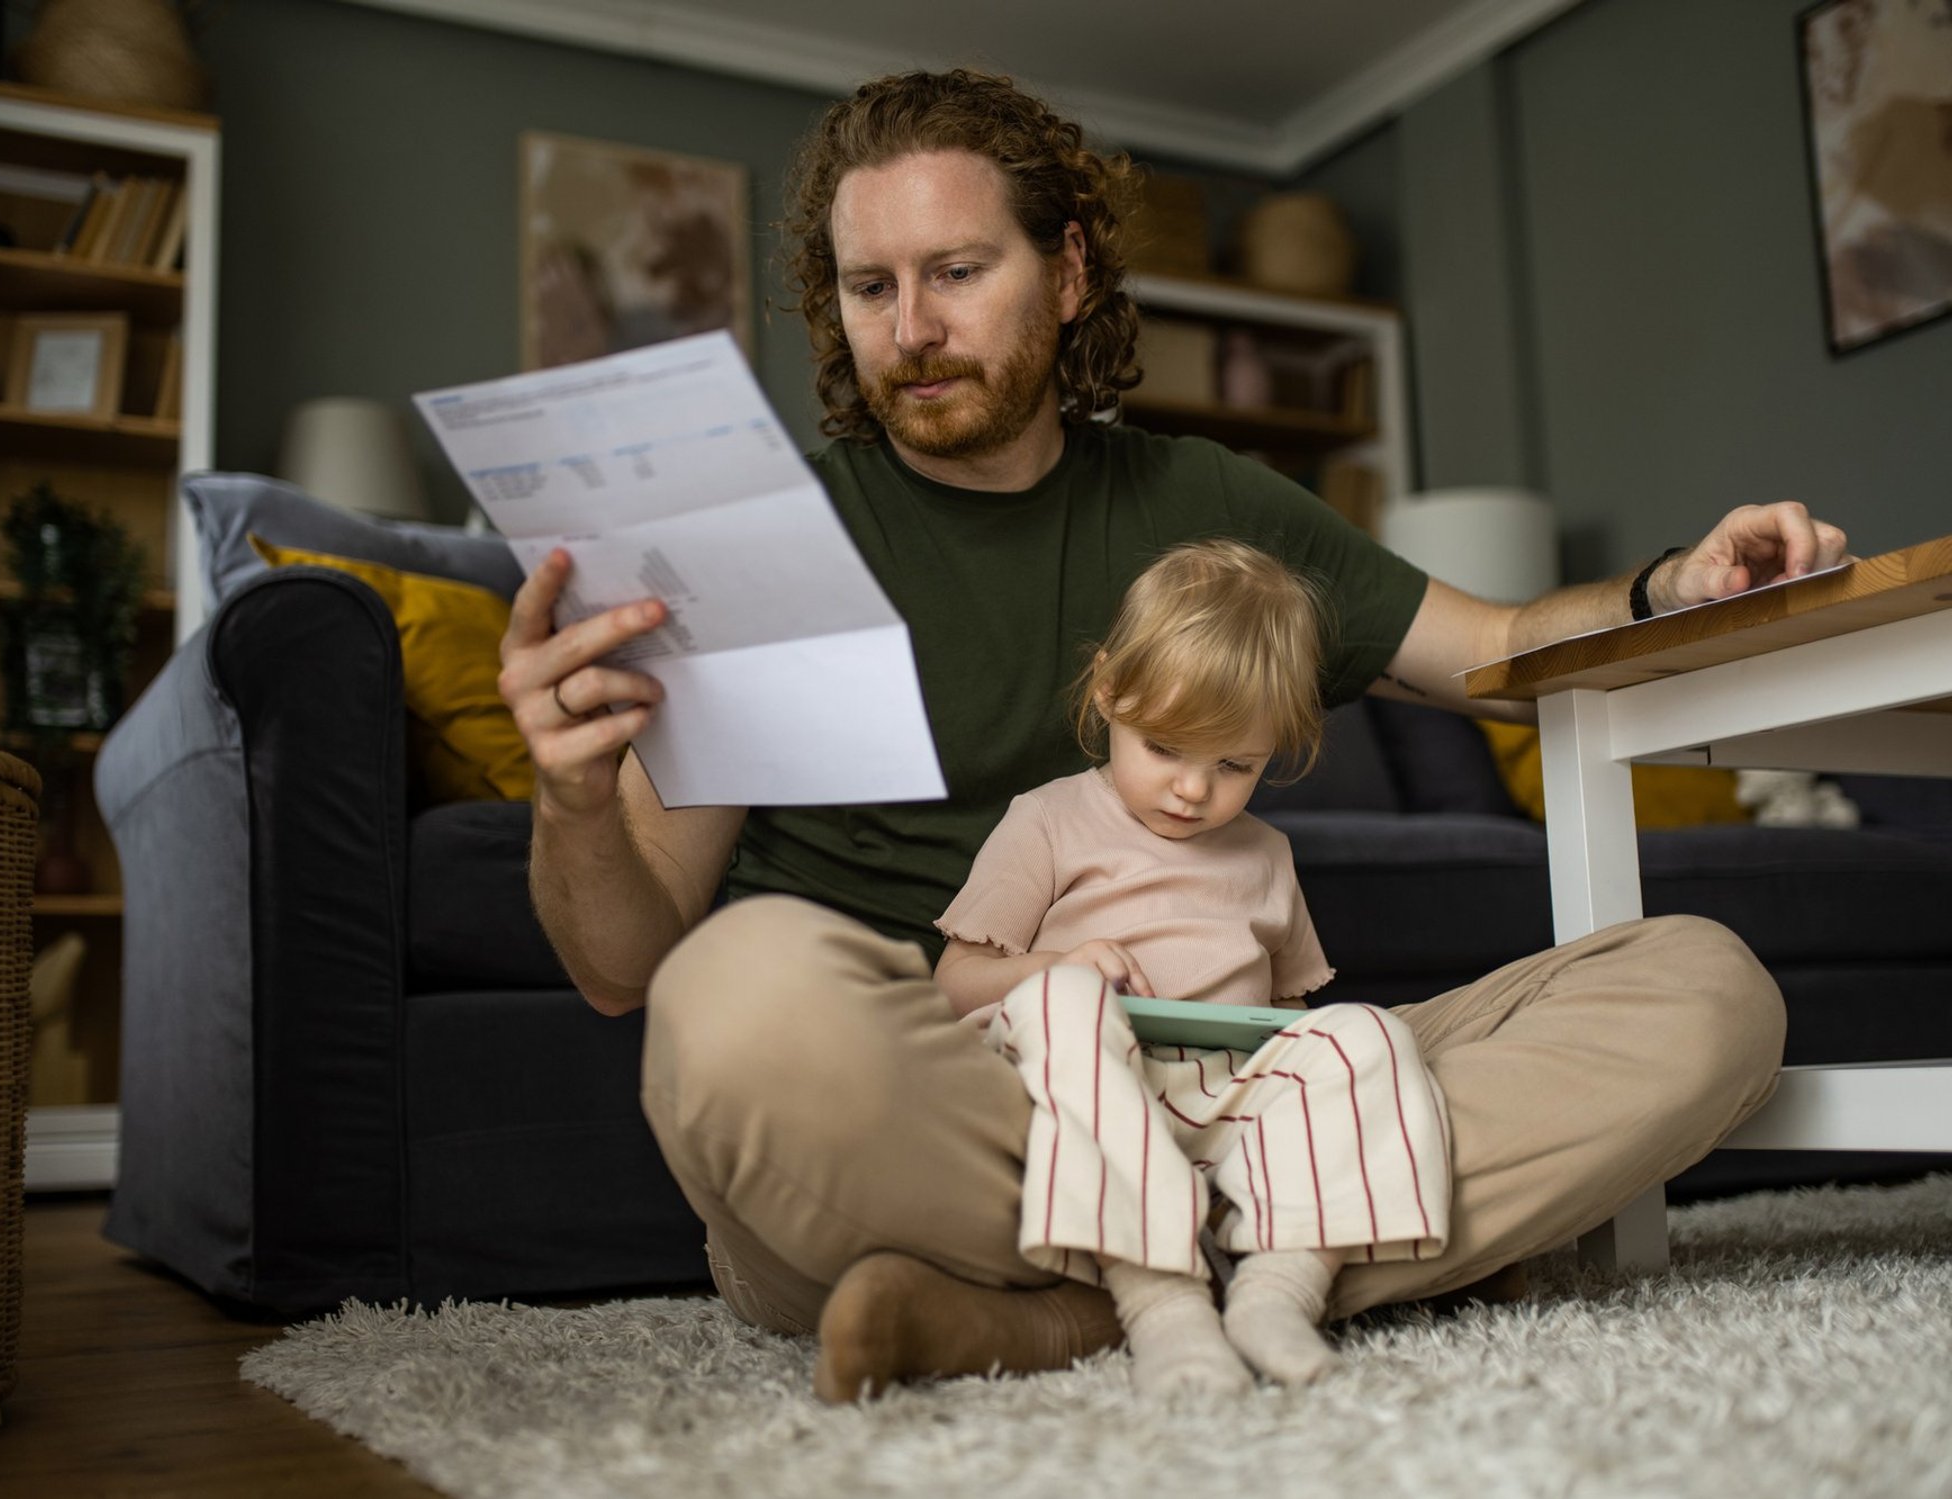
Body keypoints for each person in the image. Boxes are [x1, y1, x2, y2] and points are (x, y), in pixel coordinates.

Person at [497, 68, 1844, 1403]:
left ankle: (1058, 1309)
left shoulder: (1200, 498)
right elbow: (623, 965)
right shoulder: (757, 545)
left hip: (1224, 1097)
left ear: (1069, 270)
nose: (910, 328)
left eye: (958, 271)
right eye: (870, 288)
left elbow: (1493, 652)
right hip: (944, 1111)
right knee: (732, 995)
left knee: (1708, 988)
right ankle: (1305, 1250)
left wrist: (1672, 585)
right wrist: (570, 794)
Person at [935, 538, 1452, 1396]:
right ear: (1109, 690)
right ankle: (1163, 1305)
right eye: (1166, 747)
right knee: (1061, 998)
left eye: (1234, 766)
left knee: (1365, 1032)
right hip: (1073, 1087)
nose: (1192, 790)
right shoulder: (1048, 820)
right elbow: (955, 980)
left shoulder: (1267, 853)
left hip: (1215, 1100)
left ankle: (1276, 1292)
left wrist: (1310, 1054)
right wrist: (1062, 965)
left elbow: (1290, 1017)